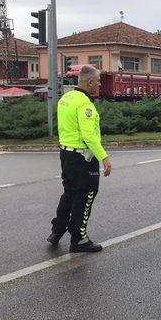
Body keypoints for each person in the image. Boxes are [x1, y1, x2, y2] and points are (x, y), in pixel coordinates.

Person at [48, 65, 112, 253]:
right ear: (90, 82)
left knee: (69, 193)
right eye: (98, 81)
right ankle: (79, 238)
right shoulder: (85, 104)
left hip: (66, 155)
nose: (100, 84)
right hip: (83, 157)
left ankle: (57, 231)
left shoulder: (66, 98)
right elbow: (89, 135)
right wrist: (104, 158)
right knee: (86, 195)